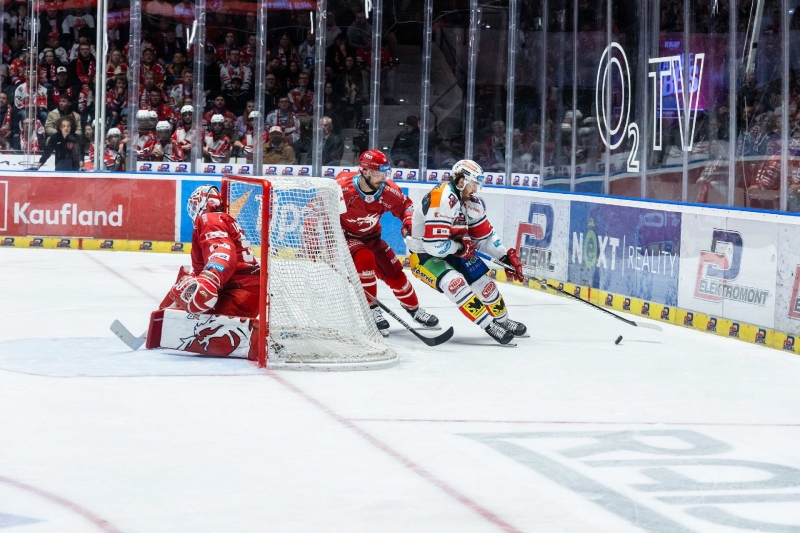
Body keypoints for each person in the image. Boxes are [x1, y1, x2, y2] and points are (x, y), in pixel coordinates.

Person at [406, 160, 527, 345]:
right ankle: (489, 325)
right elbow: (433, 245)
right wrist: (461, 248)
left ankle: (503, 321)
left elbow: (484, 238)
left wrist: (504, 257)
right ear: (462, 180)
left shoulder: (471, 203)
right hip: (425, 255)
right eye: (474, 184)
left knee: (485, 285)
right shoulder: (442, 198)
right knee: (456, 284)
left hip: (454, 249)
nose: (476, 190)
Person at [335, 149, 439, 334]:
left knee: (395, 273)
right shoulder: (343, 188)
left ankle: (414, 310)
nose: (384, 177)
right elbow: (319, 206)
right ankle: (372, 311)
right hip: (347, 238)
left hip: (372, 238)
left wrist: (408, 222)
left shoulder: (388, 190)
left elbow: (406, 206)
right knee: (365, 259)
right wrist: (314, 236)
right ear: (365, 171)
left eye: (385, 172)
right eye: (379, 172)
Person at [161, 184, 260, 318]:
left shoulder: (210, 220)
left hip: (238, 293)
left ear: (209, 203)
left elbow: (222, 251)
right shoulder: (218, 220)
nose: (193, 210)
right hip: (242, 291)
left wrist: (209, 279)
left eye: (195, 205)